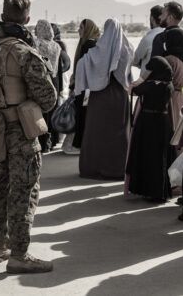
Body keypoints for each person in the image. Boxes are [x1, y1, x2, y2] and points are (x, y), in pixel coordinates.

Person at [0, 0, 57, 273]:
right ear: (27, 19)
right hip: (19, 132)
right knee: (23, 190)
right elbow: (47, 97)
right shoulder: (23, 52)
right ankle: (19, 255)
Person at [74, 18, 134, 180]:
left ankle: (94, 168)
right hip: (120, 96)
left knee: (96, 132)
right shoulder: (127, 49)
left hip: (100, 96)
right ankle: (118, 169)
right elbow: (128, 75)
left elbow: (81, 65)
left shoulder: (98, 51)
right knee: (119, 133)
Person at [125, 57, 174, 201]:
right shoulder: (168, 85)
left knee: (146, 155)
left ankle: (147, 189)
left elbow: (134, 90)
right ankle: (160, 192)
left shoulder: (151, 85)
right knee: (160, 157)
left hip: (147, 122)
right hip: (163, 122)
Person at [71, 19, 100, 149]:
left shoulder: (88, 45)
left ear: (88, 30)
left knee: (83, 113)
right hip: (88, 88)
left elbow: (83, 70)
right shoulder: (94, 44)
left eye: (81, 28)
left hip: (85, 89)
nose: (78, 31)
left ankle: (82, 143)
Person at [34, 20, 62, 153]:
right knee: (52, 111)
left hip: (42, 81)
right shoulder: (56, 46)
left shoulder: (38, 44)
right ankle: (53, 140)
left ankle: (44, 143)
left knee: (41, 114)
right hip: (54, 81)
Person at [50, 23, 72, 150]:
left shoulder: (58, 45)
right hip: (61, 78)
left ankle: (57, 136)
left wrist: (55, 71)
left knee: (59, 105)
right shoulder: (60, 44)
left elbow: (66, 63)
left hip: (59, 78)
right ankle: (58, 136)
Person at [132, 5, 165, 79]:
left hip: (147, 81)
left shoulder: (148, 38)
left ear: (152, 19)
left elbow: (135, 59)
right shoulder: (168, 35)